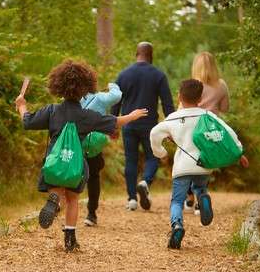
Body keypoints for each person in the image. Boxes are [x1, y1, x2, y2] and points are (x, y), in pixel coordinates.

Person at [15, 59, 147, 252]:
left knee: (58, 189)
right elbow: (113, 122)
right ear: (85, 89)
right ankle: (70, 240)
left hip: (54, 163)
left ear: (58, 86)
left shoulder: (52, 111)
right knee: (73, 199)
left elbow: (27, 122)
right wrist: (132, 116)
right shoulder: (87, 115)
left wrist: (21, 105)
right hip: (76, 164)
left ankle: (53, 198)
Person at [149, 79, 249, 249]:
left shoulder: (173, 118)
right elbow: (228, 132)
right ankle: (202, 197)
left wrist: (161, 153)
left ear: (179, 97)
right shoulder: (207, 116)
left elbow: (154, 133)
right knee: (200, 187)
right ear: (201, 98)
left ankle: (177, 225)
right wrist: (239, 152)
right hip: (203, 165)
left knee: (177, 201)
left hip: (182, 166)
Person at [111, 42, 175, 211]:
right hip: (150, 125)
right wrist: (172, 127)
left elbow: (115, 101)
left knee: (130, 160)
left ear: (136, 54)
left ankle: (132, 199)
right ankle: (145, 182)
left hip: (128, 124)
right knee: (153, 157)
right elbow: (167, 104)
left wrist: (112, 125)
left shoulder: (124, 75)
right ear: (151, 55)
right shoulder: (158, 75)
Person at [184, 51, 230, 214]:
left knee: (188, 160)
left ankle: (189, 197)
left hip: (191, 126)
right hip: (210, 128)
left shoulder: (191, 84)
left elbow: (182, 106)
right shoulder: (221, 85)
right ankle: (199, 202)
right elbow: (225, 108)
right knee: (206, 162)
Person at [80, 82, 122, 226]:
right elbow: (117, 96)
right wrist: (113, 85)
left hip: (74, 143)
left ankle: (58, 202)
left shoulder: (73, 98)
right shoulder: (99, 98)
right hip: (93, 146)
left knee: (68, 174)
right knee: (93, 178)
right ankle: (91, 214)